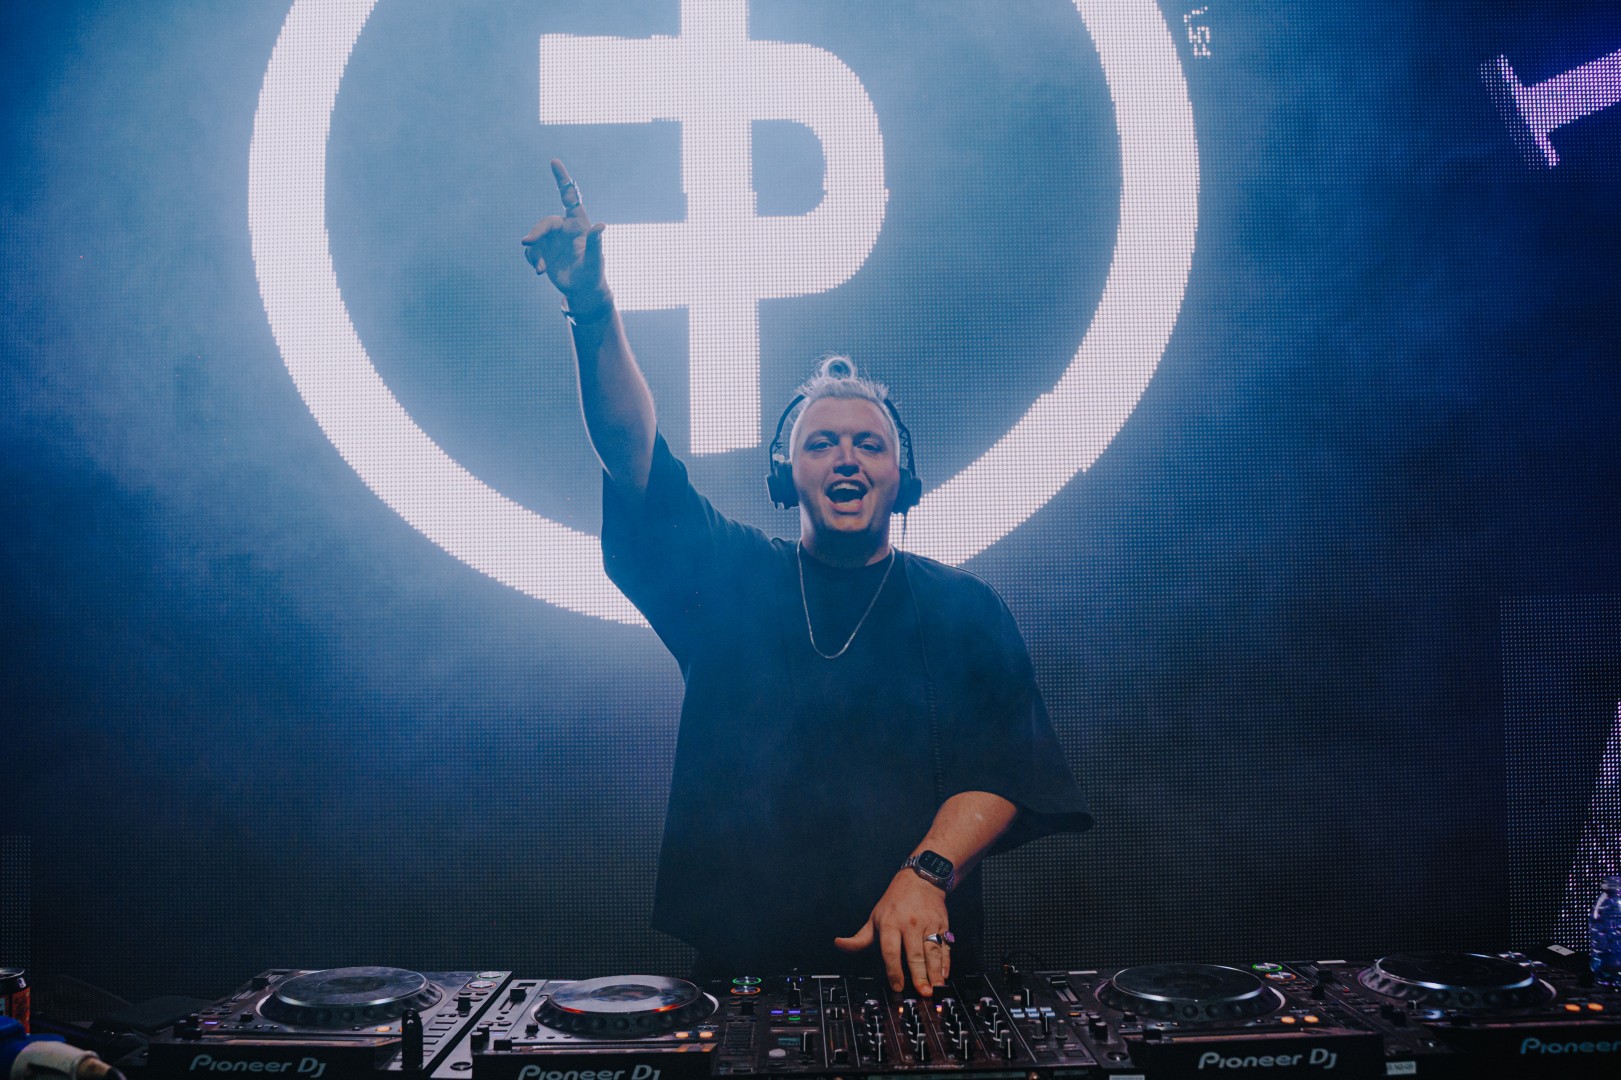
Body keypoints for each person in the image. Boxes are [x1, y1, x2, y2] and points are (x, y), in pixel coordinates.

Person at [523, 160, 1090, 995]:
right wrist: (592, 306)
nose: (846, 456)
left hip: (916, 974)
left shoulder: (962, 608)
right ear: (785, 477)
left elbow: (1007, 767)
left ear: (902, 480)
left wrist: (927, 874)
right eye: (820, 443)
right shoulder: (730, 577)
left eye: (869, 444)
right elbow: (630, 454)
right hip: (746, 975)